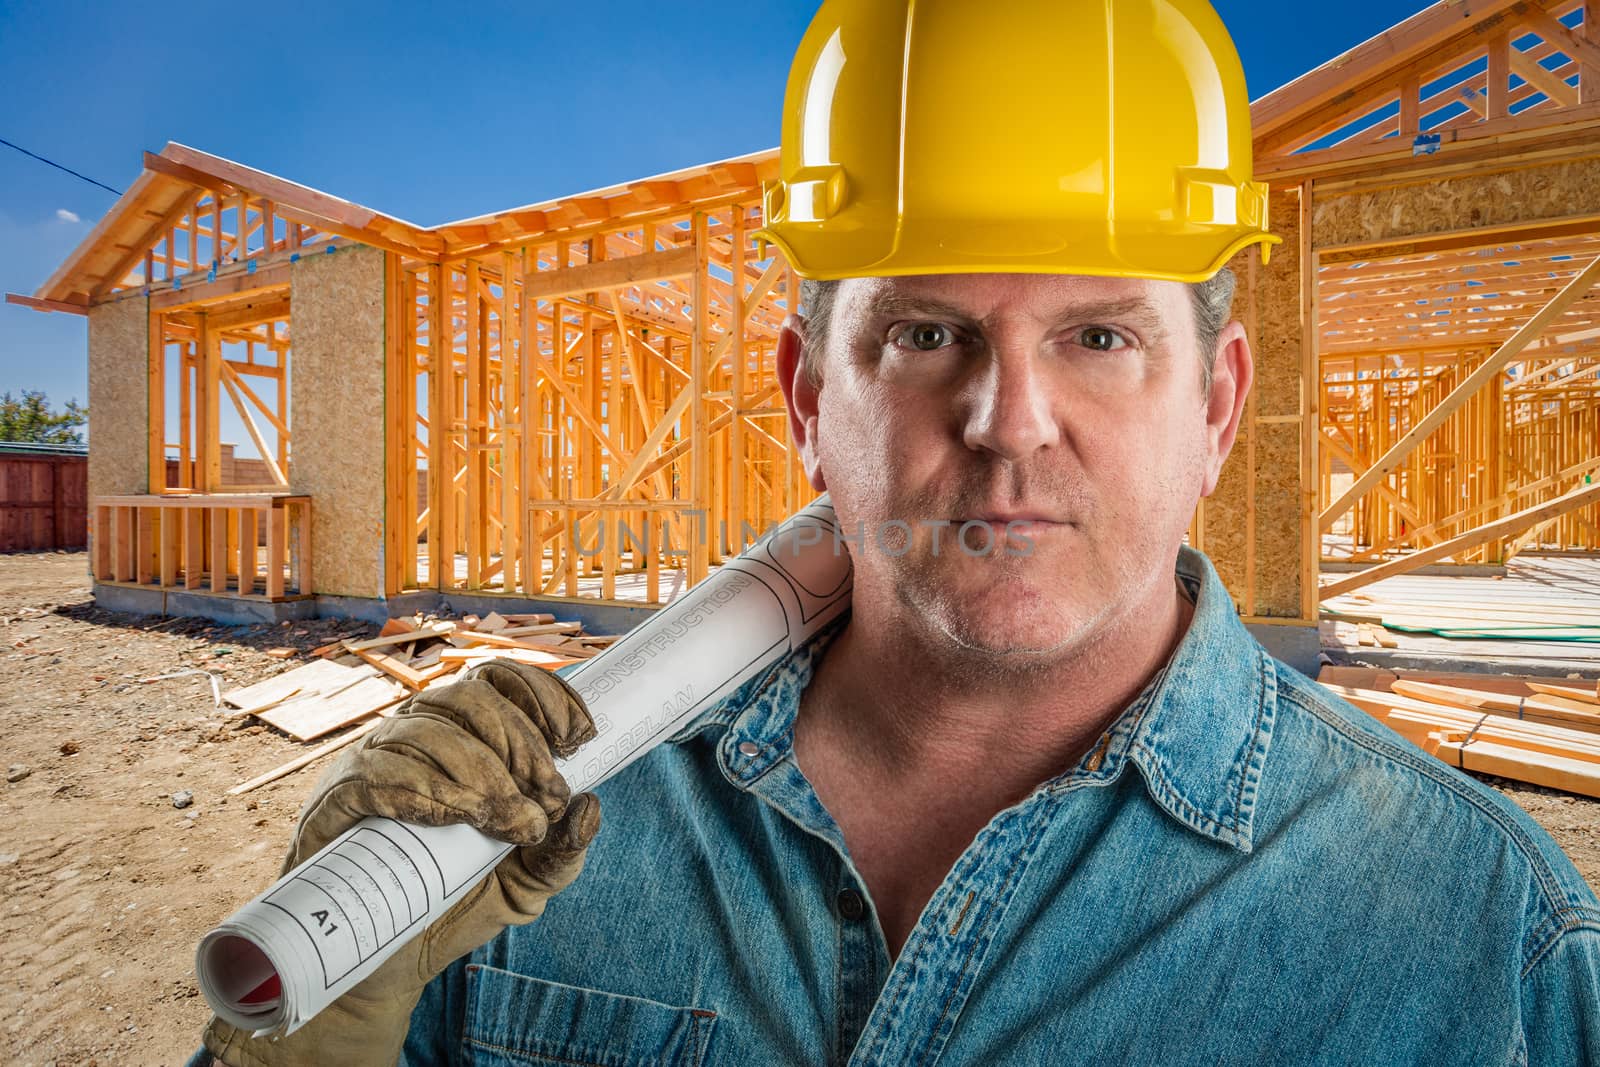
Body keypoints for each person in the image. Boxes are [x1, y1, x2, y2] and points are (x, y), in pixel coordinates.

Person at [199, 1, 1600, 1064]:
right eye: (926, 333)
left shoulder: (1489, 945)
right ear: (808, 399)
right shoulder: (520, 851)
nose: (1006, 420)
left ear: (1219, 408)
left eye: (1100, 335)